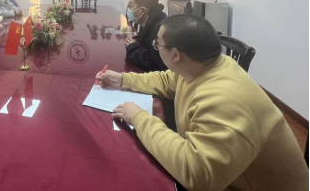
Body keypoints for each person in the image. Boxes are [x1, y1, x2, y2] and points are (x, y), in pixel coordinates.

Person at [98, 15, 309, 191]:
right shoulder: (203, 65)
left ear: (175, 54)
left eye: (157, 44)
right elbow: (167, 79)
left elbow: (197, 175)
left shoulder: (225, 99)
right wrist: (124, 79)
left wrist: (140, 118)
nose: (156, 48)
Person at [125, 0, 167, 72]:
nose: (128, 9)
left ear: (142, 10)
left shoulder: (160, 29)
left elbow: (154, 63)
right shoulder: (150, 22)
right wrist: (134, 42)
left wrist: (133, 47)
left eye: (130, 6)